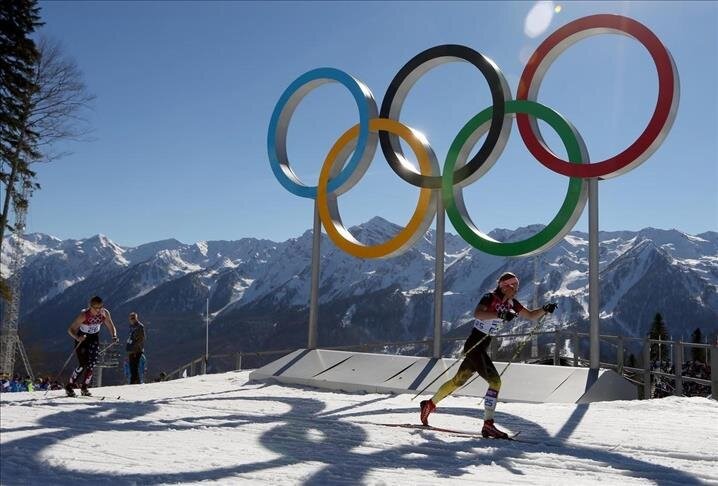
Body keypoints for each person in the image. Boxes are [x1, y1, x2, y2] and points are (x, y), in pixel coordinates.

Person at [419, 272, 557, 439]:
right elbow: (478, 314)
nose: (517, 290)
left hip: (480, 346)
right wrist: (499, 314)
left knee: (458, 381)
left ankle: (429, 404)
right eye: (514, 287)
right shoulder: (490, 297)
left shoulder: (512, 303)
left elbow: (530, 316)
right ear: (505, 287)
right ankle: (488, 425)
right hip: (474, 345)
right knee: (495, 381)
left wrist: (544, 309)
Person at [65, 296, 118, 397]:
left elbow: (111, 325)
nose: (98, 310)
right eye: (96, 308)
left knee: (92, 364)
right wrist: (77, 337)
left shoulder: (104, 313)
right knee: (82, 364)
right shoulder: (84, 315)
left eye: (100, 307)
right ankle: (69, 386)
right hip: (83, 339)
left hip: (94, 338)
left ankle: (84, 387)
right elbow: (70, 329)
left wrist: (114, 335)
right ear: (90, 306)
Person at [126, 312, 145, 384]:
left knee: (135, 366)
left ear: (137, 318)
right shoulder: (131, 326)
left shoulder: (140, 326)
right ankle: (136, 381)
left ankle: (133, 381)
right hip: (131, 349)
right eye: (131, 318)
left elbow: (141, 338)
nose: (132, 320)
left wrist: (135, 348)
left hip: (137, 350)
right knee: (131, 366)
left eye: (134, 318)